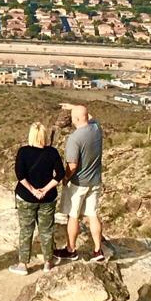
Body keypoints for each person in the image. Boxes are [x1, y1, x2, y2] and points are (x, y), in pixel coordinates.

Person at [10, 122, 66, 275]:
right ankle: (48, 262)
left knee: (26, 230)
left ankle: (23, 264)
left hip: (26, 197)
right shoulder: (52, 152)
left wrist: (33, 190)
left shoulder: (23, 152)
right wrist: (46, 189)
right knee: (46, 230)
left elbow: (20, 175)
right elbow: (60, 174)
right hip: (47, 198)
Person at [54, 104, 105, 262]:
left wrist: (65, 178)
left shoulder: (75, 138)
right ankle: (98, 250)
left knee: (73, 216)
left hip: (78, 183)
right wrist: (75, 107)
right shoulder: (96, 129)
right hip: (95, 181)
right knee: (93, 214)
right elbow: (90, 117)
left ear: (75, 119)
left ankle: (71, 250)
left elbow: (72, 165)